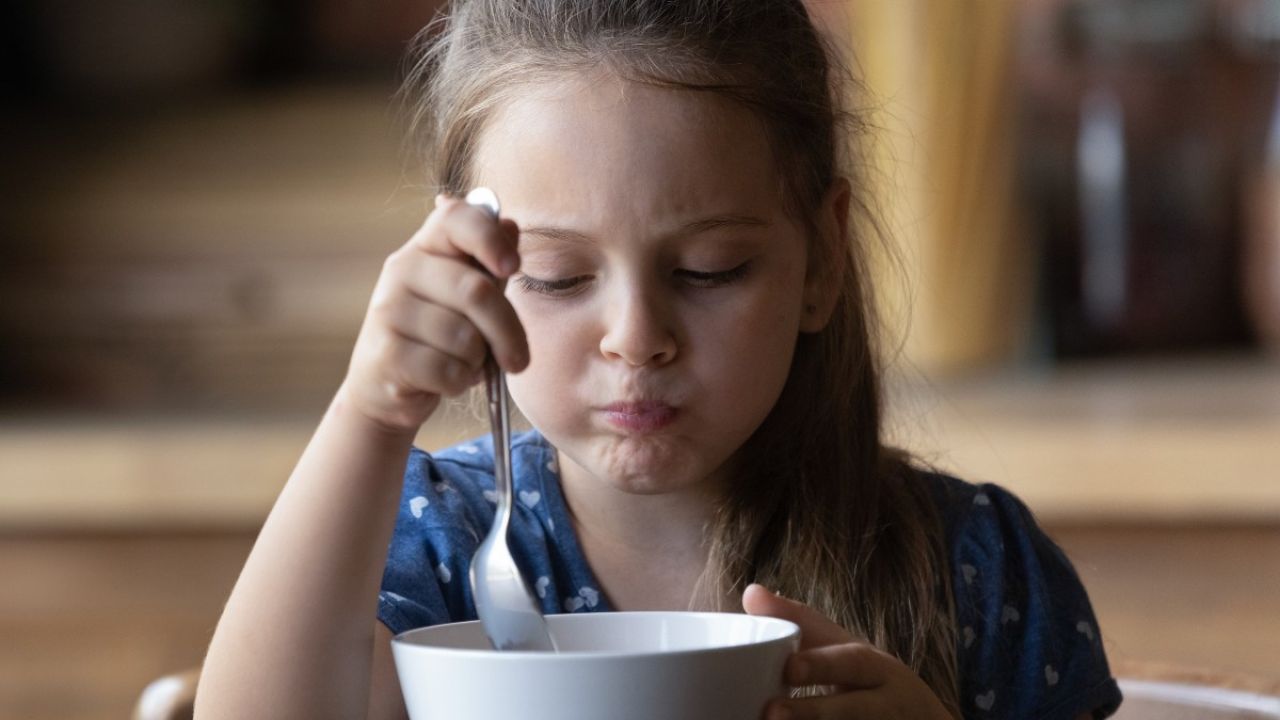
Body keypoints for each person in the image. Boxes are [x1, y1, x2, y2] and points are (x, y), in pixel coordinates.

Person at [195, 1, 1124, 718]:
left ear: (823, 258)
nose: (636, 337)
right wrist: (372, 412)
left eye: (709, 269)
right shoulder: (440, 546)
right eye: (558, 277)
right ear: (467, 265)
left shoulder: (976, 572)